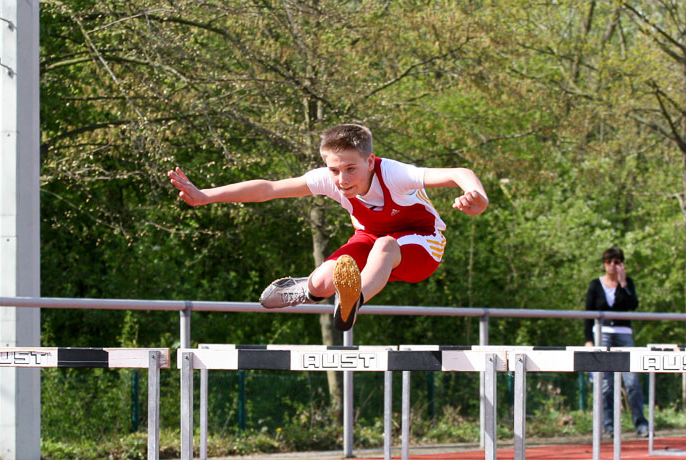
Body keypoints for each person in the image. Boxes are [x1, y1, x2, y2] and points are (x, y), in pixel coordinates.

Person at [167, 123, 489, 331]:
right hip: (368, 237)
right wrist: (206, 196)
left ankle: (352, 300)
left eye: (351, 169)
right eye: (335, 170)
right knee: (323, 283)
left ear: (371, 161)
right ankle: (311, 287)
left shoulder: (394, 174)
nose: (342, 180)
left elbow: (459, 171)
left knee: (384, 247)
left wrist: (478, 197)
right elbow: (268, 189)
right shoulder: (329, 178)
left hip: (421, 244)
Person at [584, 247, 649, 437]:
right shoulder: (595, 285)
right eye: (609, 262)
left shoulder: (627, 283)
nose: (612, 266)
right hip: (601, 334)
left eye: (617, 262)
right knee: (606, 383)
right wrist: (588, 340)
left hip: (623, 334)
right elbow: (587, 314)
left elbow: (632, 305)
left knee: (632, 381)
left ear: (622, 264)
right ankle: (609, 425)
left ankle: (641, 424)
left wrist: (622, 283)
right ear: (604, 264)